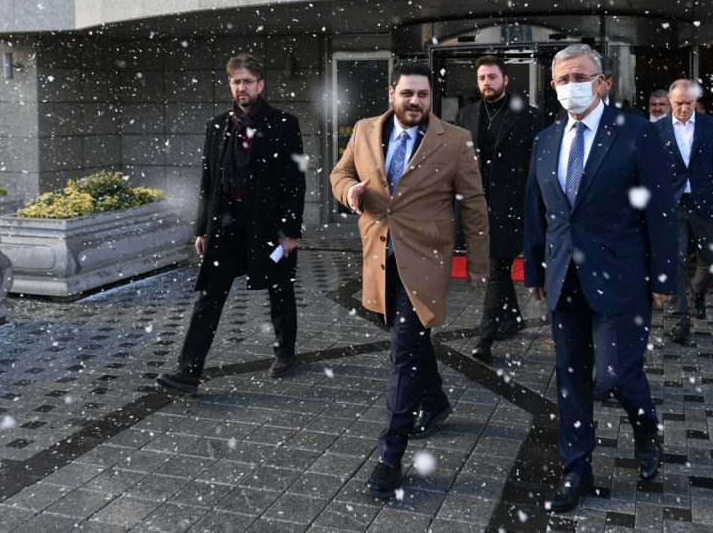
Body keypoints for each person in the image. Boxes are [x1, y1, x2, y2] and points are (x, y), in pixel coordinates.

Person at [524, 44, 676, 513]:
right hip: (563, 277)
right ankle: (577, 469)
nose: (571, 87)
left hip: (622, 275)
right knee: (571, 379)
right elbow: (537, 211)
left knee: (615, 375)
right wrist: (534, 268)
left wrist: (663, 278)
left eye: (580, 77)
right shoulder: (545, 140)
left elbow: (660, 210)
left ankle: (646, 428)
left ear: (603, 82)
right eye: (562, 79)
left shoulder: (636, 132)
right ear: (552, 86)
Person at [330, 63, 489, 500]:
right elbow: (339, 174)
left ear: (430, 97)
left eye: (422, 94)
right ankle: (435, 401)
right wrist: (349, 192)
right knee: (411, 341)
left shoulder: (454, 140)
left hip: (424, 263)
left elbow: (474, 204)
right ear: (391, 93)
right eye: (407, 93)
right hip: (379, 260)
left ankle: (390, 456)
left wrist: (478, 261)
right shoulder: (365, 130)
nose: (415, 101)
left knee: (403, 354)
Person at [156, 53, 306, 394]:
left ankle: (285, 353)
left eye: (247, 81)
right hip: (225, 225)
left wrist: (291, 231)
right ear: (230, 85)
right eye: (236, 82)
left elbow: (296, 180)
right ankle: (189, 370)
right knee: (209, 293)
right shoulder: (217, 126)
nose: (242, 88)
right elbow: (208, 180)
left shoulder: (284, 124)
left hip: (268, 226)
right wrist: (201, 229)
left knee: (279, 287)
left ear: (260, 84)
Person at [455, 55, 540, 364]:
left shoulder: (528, 116)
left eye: (492, 77)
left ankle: (486, 337)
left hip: (510, 205)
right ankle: (513, 318)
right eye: (482, 78)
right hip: (476, 205)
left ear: (505, 80)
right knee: (498, 267)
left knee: (497, 267)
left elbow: (536, 163)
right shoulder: (465, 115)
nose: (487, 83)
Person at [655, 79, 713, 344]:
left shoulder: (710, 125)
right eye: (678, 103)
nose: (683, 108)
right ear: (670, 100)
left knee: (711, 262)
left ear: (696, 101)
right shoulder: (657, 129)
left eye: (689, 103)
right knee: (675, 260)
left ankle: (696, 293)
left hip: (705, 203)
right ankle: (681, 318)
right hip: (672, 204)